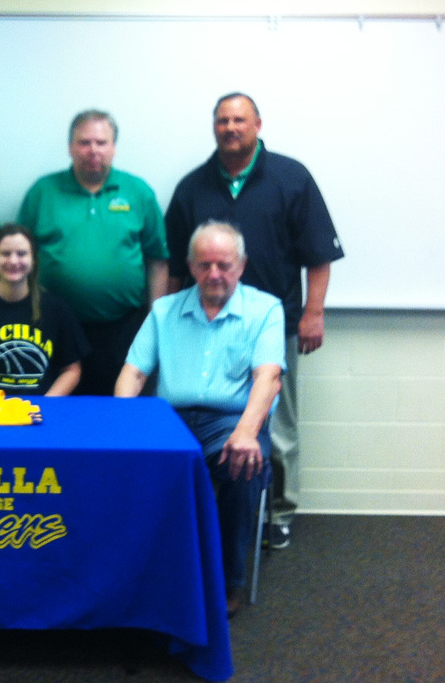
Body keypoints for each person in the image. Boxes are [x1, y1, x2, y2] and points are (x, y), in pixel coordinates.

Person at [164, 92, 344, 548]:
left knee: (277, 424)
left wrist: (314, 313)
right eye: (222, 120)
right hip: (205, 326)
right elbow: (175, 266)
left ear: (258, 124)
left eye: (239, 120)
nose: (230, 128)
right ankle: (214, 509)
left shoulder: (291, 177)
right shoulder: (192, 187)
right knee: (203, 414)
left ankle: (279, 511)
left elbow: (319, 255)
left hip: (275, 325)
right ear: (214, 127)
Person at [116, 221, 285, 617]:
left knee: (243, 466)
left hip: (232, 420)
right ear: (190, 267)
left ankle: (228, 581)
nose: (214, 274)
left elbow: (268, 377)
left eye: (224, 265)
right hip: (170, 419)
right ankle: (141, 574)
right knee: (129, 465)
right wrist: (124, 425)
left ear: (241, 266)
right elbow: (133, 374)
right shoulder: (164, 310)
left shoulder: (265, 309)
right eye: (205, 264)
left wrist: (246, 432)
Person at [17, 109, 169, 395]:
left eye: (101, 143)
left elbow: (157, 261)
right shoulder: (43, 192)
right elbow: (18, 256)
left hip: (122, 327)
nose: (93, 150)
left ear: (113, 147)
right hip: (52, 325)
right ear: (70, 147)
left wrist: (154, 320)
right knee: (57, 408)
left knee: (116, 407)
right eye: (84, 142)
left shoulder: (138, 192)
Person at [0, 224, 89, 396]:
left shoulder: (56, 309)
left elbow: (72, 370)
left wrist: (47, 404)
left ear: (34, 259)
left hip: (40, 410)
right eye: (5, 254)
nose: (13, 261)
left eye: (21, 254)